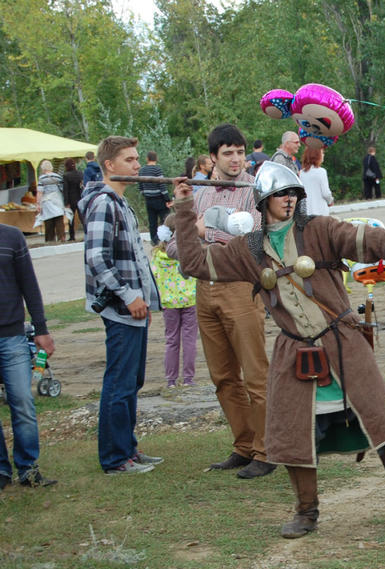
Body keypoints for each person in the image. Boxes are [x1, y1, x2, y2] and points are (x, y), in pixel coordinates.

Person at [172, 160, 385, 538]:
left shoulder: (319, 229)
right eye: (280, 194)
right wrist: (185, 208)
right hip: (294, 353)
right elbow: (193, 262)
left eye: (293, 193)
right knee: (291, 433)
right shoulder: (247, 249)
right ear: (263, 199)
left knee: (383, 425)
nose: (288, 199)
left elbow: (371, 240)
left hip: (344, 344)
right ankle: (306, 512)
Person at [168, 124, 273, 479]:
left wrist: (204, 232)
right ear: (212, 157)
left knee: (256, 374)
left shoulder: (254, 191)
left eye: (240, 152)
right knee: (223, 377)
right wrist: (195, 233)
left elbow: (253, 243)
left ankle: (266, 449)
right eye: (228, 153)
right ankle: (244, 446)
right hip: (204, 289)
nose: (236, 159)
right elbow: (173, 245)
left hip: (240, 289)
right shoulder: (197, 193)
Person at [78, 136, 163, 475]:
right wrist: (129, 296)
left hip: (134, 310)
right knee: (120, 382)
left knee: (132, 380)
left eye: (137, 158)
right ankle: (115, 458)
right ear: (109, 165)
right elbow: (96, 257)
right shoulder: (104, 203)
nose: (137, 164)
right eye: (129, 159)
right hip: (119, 308)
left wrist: (144, 300)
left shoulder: (120, 202)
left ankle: (128, 449)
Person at [0, 223, 57, 489]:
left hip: (11, 336)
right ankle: (1, 471)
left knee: (22, 401)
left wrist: (41, 329)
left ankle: (27, 467)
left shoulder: (11, 237)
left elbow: (29, 285)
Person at [150, 214, 197, 388]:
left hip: (169, 303)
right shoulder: (186, 253)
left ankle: (171, 379)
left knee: (171, 340)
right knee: (189, 340)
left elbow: (154, 276)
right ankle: (188, 378)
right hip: (190, 299)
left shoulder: (157, 257)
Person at [137, 151, 172, 246]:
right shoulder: (157, 169)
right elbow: (162, 185)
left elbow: (140, 186)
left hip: (149, 199)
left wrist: (145, 194)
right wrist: (167, 199)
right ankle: (164, 241)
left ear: (147, 159)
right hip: (159, 198)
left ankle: (154, 241)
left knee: (152, 222)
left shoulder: (142, 170)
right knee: (165, 220)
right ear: (156, 159)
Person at [298, 146, 333, 216]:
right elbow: (326, 193)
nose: (323, 155)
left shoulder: (301, 173)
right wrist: (330, 201)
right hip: (320, 212)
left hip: (305, 213)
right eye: (322, 153)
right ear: (317, 156)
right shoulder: (321, 172)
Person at [36, 160, 65, 244]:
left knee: (49, 221)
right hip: (58, 200)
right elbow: (62, 189)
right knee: (59, 219)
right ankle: (61, 237)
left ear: (43, 168)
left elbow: (40, 192)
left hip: (47, 201)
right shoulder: (58, 177)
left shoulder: (42, 178)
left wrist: (38, 203)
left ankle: (50, 239)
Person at [62, 157, 82, 242]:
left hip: (71, 199)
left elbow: (65, 190)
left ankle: (72, 235)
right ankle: (87, 233)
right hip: (80, 198)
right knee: (82, 217)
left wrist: (66, 202)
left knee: (71, 219)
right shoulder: (80, 173)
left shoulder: (66, 175)